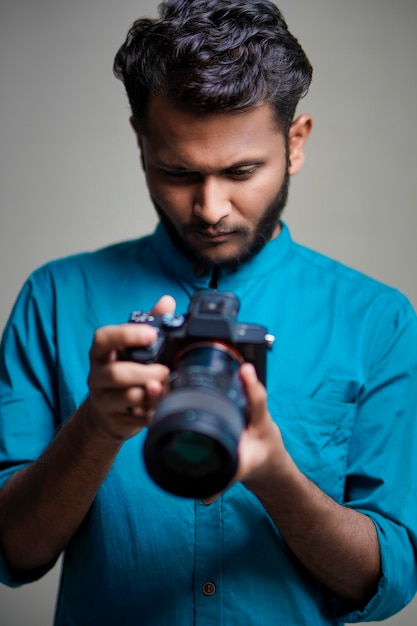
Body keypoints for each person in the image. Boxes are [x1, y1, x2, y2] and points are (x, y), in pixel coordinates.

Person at [0, 0, 416, 624]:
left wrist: (275, 475)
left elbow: (387, 578)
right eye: (178, 172)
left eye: (242, 170)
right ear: (142, 143)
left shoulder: (378, 320)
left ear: (295, 143)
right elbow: (14, 551)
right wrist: (97, 427)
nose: (210, 207)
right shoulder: (55, 297)